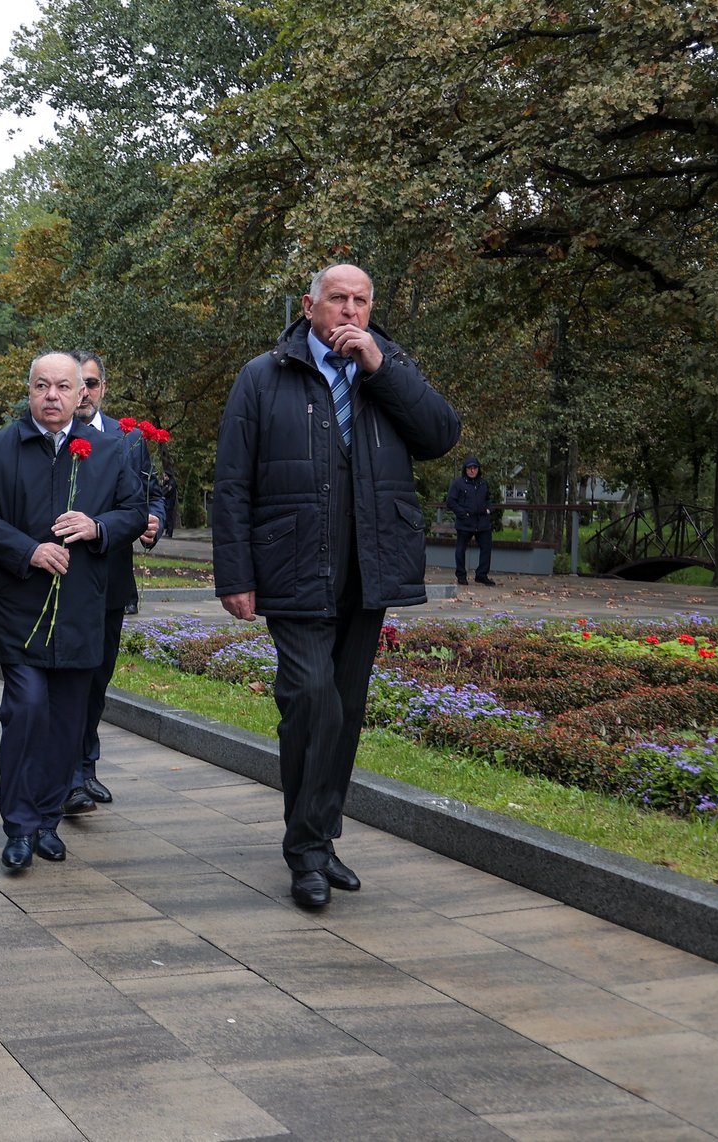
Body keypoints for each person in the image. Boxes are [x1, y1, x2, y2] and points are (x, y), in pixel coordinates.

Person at [213, 264, 459, 908]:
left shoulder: (387, 367)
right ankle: (306, 853)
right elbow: (233, 482)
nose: (350, 312)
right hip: (291, 566)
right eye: (338, 300)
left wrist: (382, 367)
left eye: (361, 301)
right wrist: (234, 574)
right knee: (310, 697)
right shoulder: (264, 375)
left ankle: (320, 839)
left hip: (367, 569)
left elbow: (440, 435)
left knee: (345, 710)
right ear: (310, 306)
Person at [0, 352, 145, 871]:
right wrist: (29, 550)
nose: (52, 396)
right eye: (42, 386)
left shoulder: (111, 452)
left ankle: (46, 821)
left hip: (81, 608)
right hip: (19, 607)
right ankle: (18, 827)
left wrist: (98, 528)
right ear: (29, 392)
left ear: (80, 394)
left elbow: (134, 511)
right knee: (26, 710)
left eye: (63, 386)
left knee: (68, 720)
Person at [65, 350, 163, 815]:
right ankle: (68, 776)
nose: (83, 393)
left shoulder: (128, 440)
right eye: (75, 383)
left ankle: (85, 766)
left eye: (91, 383)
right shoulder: (54, 436)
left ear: (103, 387)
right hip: (62, 581)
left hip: (111, 580)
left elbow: (152, 495)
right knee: (70, 680)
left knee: (98, 678)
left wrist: (154, 521)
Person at [445, 457, 494, 585]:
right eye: (469, 468)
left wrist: (489, 509)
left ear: (478, 469)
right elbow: (450, 501)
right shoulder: (457, 484)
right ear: (465, 469)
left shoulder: (483, 484)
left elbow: (488, 499)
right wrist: (463, 513)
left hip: (482, 522)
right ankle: (461, 575)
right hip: (465, 522)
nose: (472, 470)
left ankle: (482, 575)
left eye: (475, 468)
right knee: (461, 549)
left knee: (486, 548)